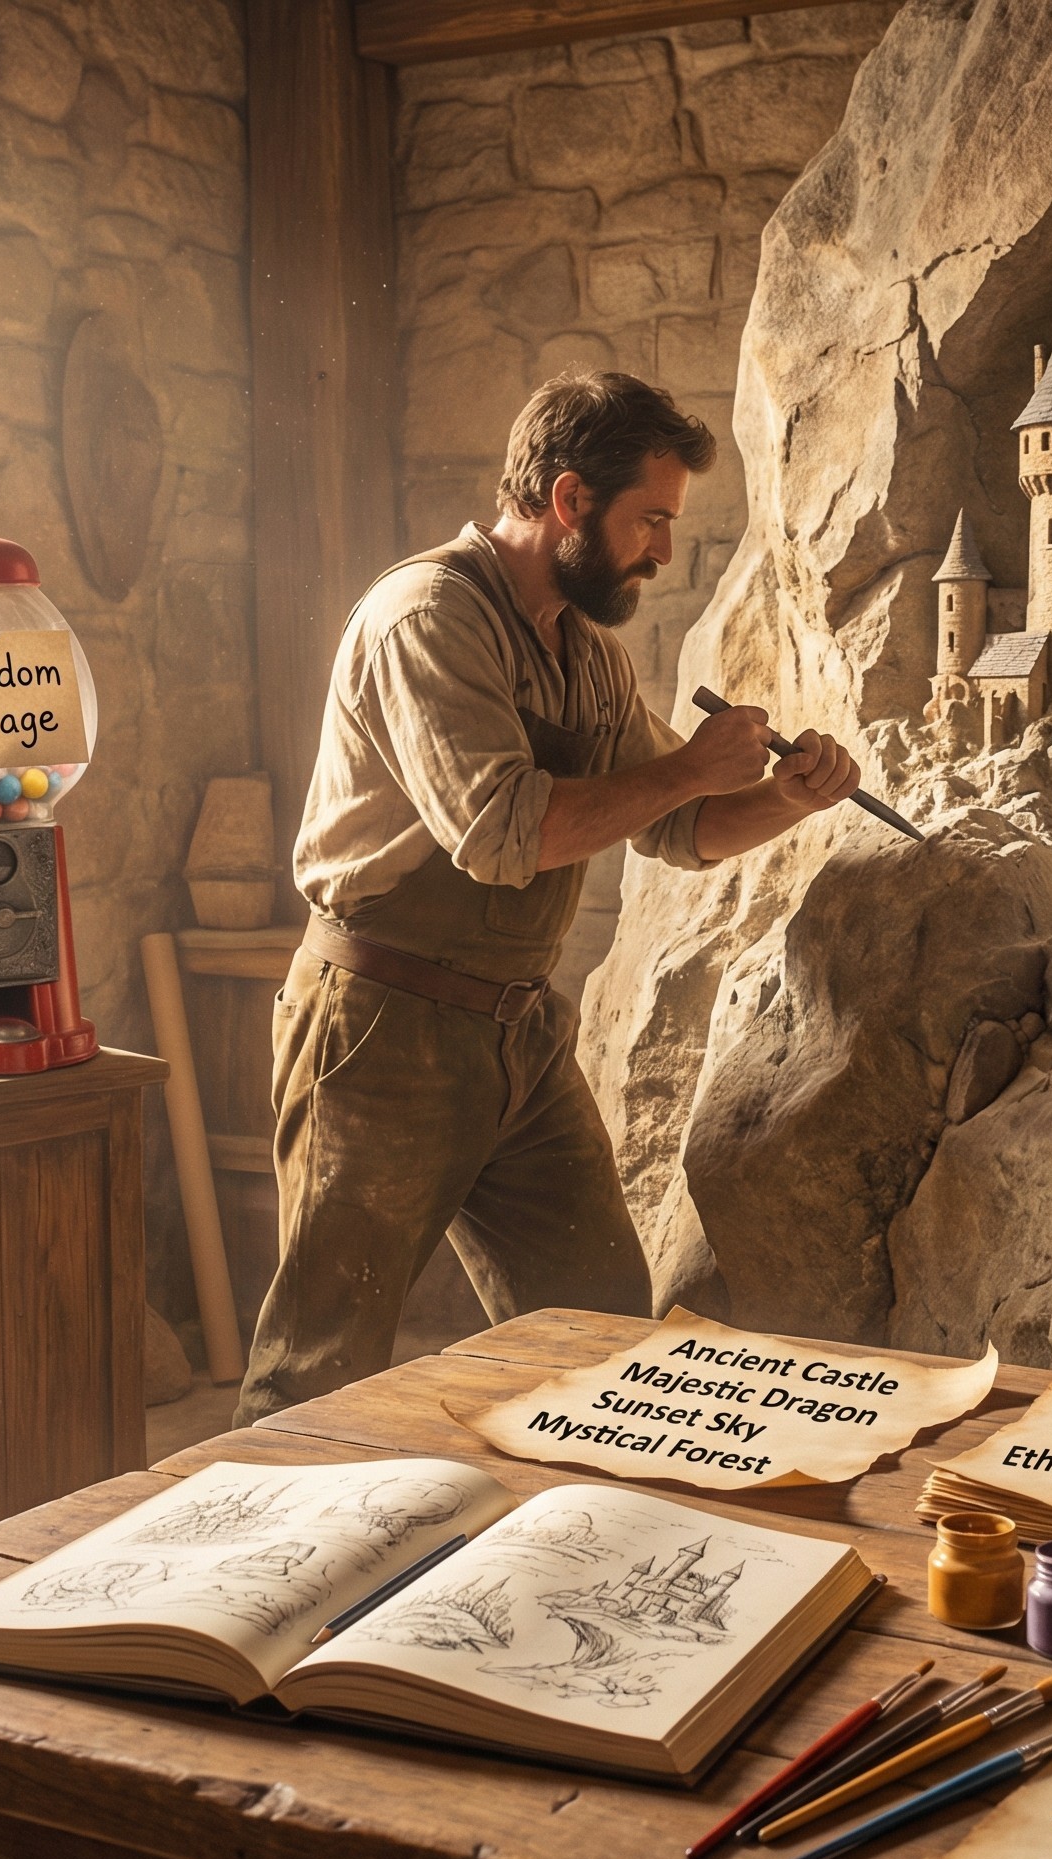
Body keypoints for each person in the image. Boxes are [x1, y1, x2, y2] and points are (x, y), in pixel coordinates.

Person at [236, 370, 863, 1422]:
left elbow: (682, 827)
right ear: (569, 500)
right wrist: (690, 768)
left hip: (514, 1032)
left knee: (600, 1333)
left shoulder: (589, 657)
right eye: (649, 520)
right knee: (318, 1366)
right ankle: (238, 1581)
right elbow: (500, 833)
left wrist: (783, 797)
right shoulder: (425, 617)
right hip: (378, 1030)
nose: (662, 550)